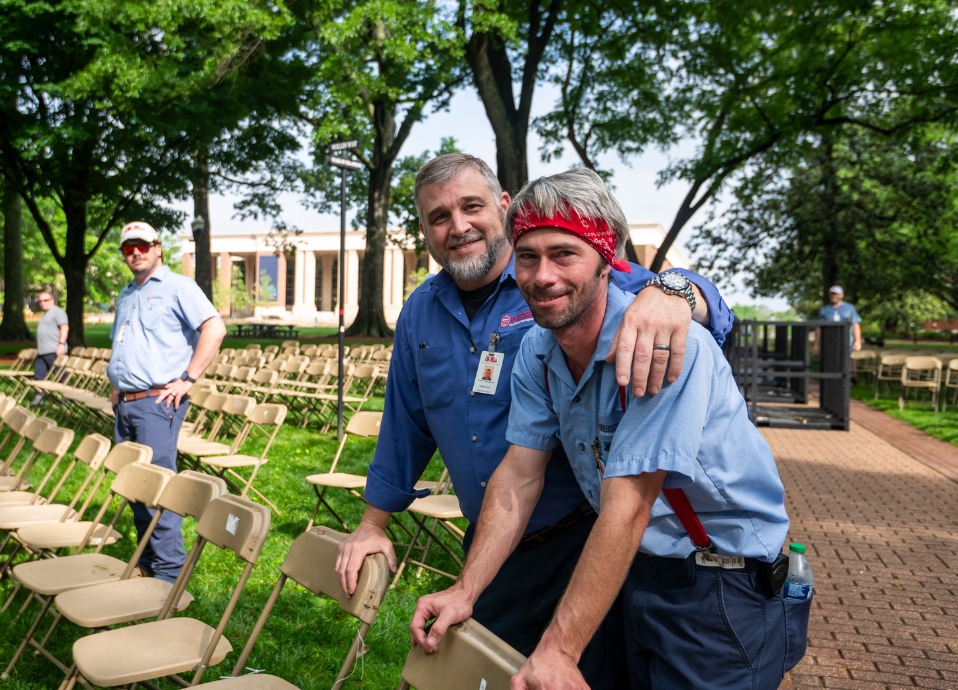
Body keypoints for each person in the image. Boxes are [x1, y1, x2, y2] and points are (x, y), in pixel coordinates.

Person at [335, 154, 734, 688]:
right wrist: (372, 524)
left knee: (575, 673)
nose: (458, 227)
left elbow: (667, 293)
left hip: (582, 541)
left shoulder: (560, 278)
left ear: (503, 206)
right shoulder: (420, 312)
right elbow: (403, 425)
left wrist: (677, 290)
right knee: (475, 672)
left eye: (472, 206)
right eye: (438, 217)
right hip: (491, 538)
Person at [410, 168, 801, 690]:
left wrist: (556, 651)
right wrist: (467, 589)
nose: (541, 275)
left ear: (606, 260)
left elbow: (629, 505)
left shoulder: (658, 345)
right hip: (634, 572)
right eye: (527, 256)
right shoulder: (539, 349)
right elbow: (519, 478)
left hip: (719, 588)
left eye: (564, 254)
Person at [106, 221, 226, 582]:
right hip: (126, 404)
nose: (136, 252)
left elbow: (214, 327)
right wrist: (116, 384)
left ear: (158, 248)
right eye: (128, 248)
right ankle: (148, 560)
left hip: (157, 404)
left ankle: (170, 576)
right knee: (134, 486)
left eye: (142, 245)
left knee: (159, 487)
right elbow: (123, 342)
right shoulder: (127, 294)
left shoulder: (179, 287)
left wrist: (188, 379)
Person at [814, 285, 862, 354]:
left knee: (847, 363)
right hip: (828, 344)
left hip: (846, 344)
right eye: (832, 294)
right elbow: (818, 328)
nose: (833, 296)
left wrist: (857, 341)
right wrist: (816, 344)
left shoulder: (849, 308)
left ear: (842, 295)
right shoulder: (824, 310)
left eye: (836, 294)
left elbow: (855, 325)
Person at [34, 291, 69, 380]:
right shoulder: (46, 313)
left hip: (54, 351)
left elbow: (64, 328)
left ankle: (68, 394)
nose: (42, 303)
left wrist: (61, 344)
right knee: (39, 377)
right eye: (40, 301)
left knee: (61, 377)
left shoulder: (58, 312)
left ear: (52, 300)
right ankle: (39, 394)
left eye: (45, 300)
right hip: (42, 352)